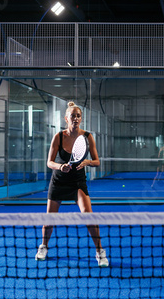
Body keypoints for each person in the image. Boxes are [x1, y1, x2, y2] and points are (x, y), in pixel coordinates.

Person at [35, 101, 109, 267]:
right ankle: (44, 246)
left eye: (78, 116)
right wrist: (61, 166)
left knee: (88, 216)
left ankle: (99, 251)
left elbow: (97, 161)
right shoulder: (59, 137)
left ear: (80, 118)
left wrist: (88, 162)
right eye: (72, 116)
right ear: (66, 119)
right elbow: (49, 162)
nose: (76, 118)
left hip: (77, 182)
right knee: (49, 219)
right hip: (59, 181)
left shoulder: (88, 137)